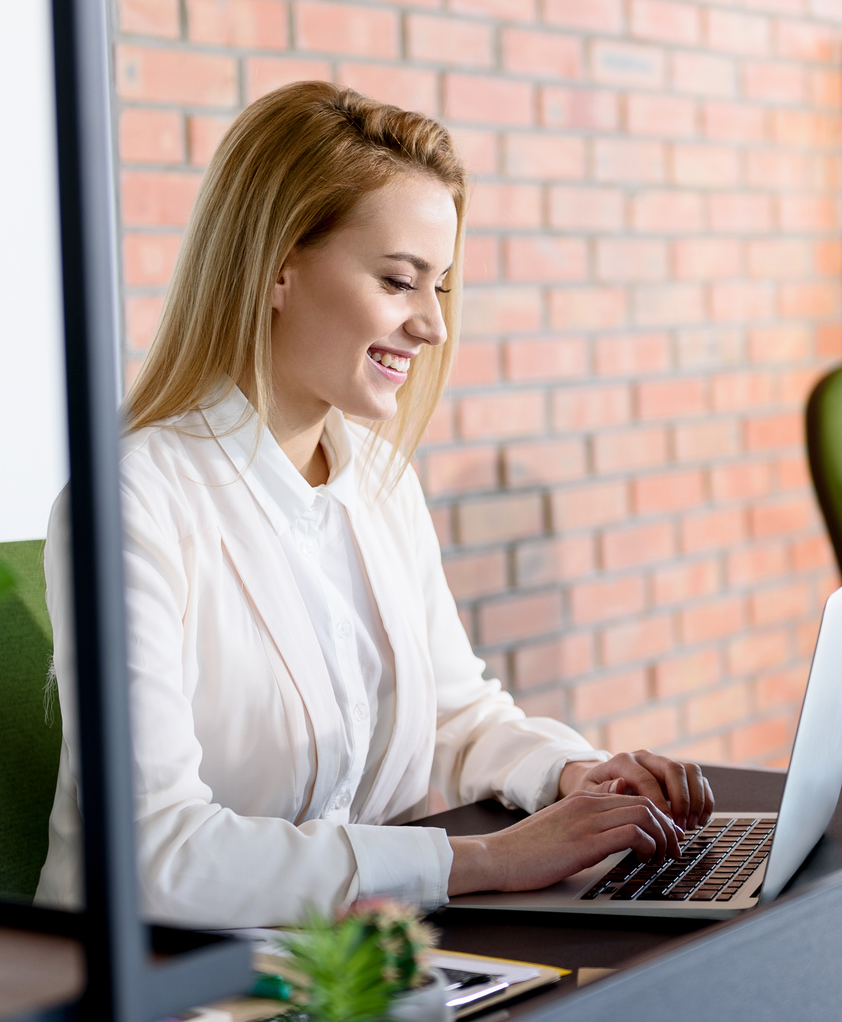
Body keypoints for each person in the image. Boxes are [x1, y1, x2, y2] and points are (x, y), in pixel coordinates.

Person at [35, 81, 714, 929]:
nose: (430, 326)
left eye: (442, 288)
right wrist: (488, 861)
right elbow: (153, 854)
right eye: (400, 281)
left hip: (354, 953)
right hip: (172, 978)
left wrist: (572, 775)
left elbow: (455, 717)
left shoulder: (379, 483)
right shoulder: (133, 503)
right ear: (276, 267)